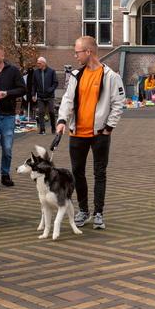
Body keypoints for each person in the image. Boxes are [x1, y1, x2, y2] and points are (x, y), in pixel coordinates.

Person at [56, 36, 124, 229]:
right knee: (77, 173)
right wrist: (62, 120)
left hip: (99, 134)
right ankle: (83, 210)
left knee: (99, 173)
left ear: (88, 52)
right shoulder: (76, 75)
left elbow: (118, 104)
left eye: (77, 52)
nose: (75, 56)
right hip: (77, 134)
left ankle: (99, 213)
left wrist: (109, 127)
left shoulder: (110, 76)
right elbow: (67, 100)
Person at [0, 45, 26, 190]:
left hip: (8, 115)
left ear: (2, 56)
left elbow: (22, 89)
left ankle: (5, 174)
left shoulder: (13, 71)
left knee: (7, 148)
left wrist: (7, 93)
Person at [27, 57, 58, 134]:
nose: (38, 65)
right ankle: (42, 129)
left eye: (39, 63)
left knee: (51, 112)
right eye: (37, 63)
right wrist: (33, 94)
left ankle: (53, 128)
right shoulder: (36, 73)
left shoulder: (52, 71)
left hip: (50, 96)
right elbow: (34, 84)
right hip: (40, 96)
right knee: (41, 112)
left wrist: (51, 89)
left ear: (44, 63)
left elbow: (55, 83)